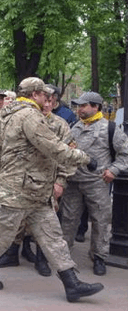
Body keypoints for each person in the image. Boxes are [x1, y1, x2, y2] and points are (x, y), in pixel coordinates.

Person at [0, 77, 103, 303]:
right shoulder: (28, 116)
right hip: (18, 191)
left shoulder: (9, 115)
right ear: (34, 95)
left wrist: (4, 173)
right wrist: (84, 158)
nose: (48, 99)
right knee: (0, 233)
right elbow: (52, 146)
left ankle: (71, 283)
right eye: (44, 95)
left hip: (34, 190)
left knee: (53, 237)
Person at [60, 91, 128, 276]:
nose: (79, 109)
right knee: (68, 219)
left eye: (83, 105)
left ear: (96, 107)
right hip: (73, 182)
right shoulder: (74, 127)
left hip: (97, 183)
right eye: (78, 106)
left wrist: (113, 171)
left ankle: (99, 257)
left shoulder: (110, 128)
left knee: (100, 220)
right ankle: (63, 257)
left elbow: (124, 155)